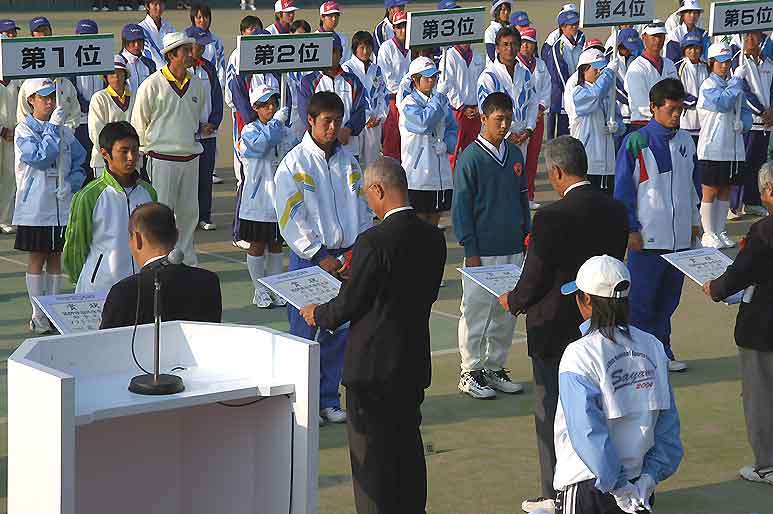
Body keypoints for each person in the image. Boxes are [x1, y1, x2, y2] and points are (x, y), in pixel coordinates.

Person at [298, 157, 444, 514]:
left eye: (367, 194)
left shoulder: (374, 241)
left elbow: (349, 305)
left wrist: (319, 313)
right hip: (411, 360)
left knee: (371, 460)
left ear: (378, 189)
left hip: (373, 367)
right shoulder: (433, 237)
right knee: (407, 449)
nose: (367, 202)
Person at [497, 136, 629, 513]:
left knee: (553, 410)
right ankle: (606, 483)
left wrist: (514, 300)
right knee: (605, 406)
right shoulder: (615, 209)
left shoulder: (551, 217)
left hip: (555, 327)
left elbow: (534, 278)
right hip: (604, 320)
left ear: (555, 172)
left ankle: (556, 493)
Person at [555, 255, 683, 514]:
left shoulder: (579, 353)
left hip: (588, 483)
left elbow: (587, 431)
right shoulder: (653, 345)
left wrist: (618, 486)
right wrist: (650, 476)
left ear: (586, 299)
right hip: (640, 483)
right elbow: (668, 424)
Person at [274, 92, 372, 424]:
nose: (333, 128)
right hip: (310, 260)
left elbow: (362, 207)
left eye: (337, 121)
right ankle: (303, 402)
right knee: (305, 335)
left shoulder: (349, 162)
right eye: (326, 121)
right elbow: (290, 215)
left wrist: (358, 250)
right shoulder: (294, 163)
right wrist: (318, 254)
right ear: (310, 121)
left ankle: (329, 399)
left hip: (346, 260)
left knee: (338, 332)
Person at [614, 78, 701, 373]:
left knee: (668, 302)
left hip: (679, 242)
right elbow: (623, 190)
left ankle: (662, 352)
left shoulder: (686, 141)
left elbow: (693, 186)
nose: (676, 115)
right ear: (653, 108)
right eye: (671, 110)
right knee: (641, 303)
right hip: (648, 240)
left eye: (680, 110)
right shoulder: (636, 142)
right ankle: (639, 357)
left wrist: (694, 221)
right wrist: (630, 228)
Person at [453, 92, 530, 399]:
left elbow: (523, 198)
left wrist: (527, 236)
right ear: (483, 119)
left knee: (506, 313)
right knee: (475, 312)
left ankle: (494, 367)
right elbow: (461, 208)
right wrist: (470, 249)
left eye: (508, 119)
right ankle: (470, 371)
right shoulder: (470, 158)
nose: (505, 125)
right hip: (481, 251)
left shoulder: (515, 154)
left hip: (512, 247)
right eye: (499, 119)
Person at [703, 161, 773, 487]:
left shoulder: (764, 231)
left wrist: (716, 288)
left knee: (760, 397)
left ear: (769, 190)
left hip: (763, 326)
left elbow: (739, 273)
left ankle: (767, 465)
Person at [13, 78, 87, 333]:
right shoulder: (23, 130)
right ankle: (38, 315)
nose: (49, 102)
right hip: (35, 206)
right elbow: (40, 158)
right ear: (30, 100)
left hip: (61, 205)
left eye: (52, 97)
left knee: (56, 256)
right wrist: (53, 128)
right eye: (43, 97)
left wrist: (72, 183)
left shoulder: (65, 131)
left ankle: (53, 312)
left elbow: (79, 160)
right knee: (37, 257)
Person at [131, 32, 205, 267]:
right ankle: (159, 261)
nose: (190, 54)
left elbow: (196, 119)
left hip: (190, 157)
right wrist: (139, 158)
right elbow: (138, 123)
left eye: (190, 49)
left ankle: (187, 262)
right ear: (171, 55)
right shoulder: (152, 84)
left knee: (189, 214)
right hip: (161, 158)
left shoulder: (197, 84)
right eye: (185, 51)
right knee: (160, 214)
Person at [64, 122, 156, 294]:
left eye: (135, 150)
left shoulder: (148, 193)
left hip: (140, 287)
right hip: (100, 288)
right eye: (124, 151)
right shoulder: (89, 196)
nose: (131, 157)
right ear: (105, 153)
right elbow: (76, 247)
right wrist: (86, 278)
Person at [100, 202, 221, 329]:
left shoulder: (123, 292)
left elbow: (107, 339)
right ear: (177, 235)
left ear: (137, 239)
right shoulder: (209, 282)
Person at [237, 85, 289, 308]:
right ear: (255, 107)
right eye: (265, 105)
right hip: (257, 200)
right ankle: (259, 290)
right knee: (257, 245)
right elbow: (260, 147)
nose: (271, 108)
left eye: (274, 103)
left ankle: (275, 287)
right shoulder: (249, 131)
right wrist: (276, 123)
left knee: (276, 244)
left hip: (279, 198)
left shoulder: (283, 128)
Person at [697, 42, 749, 249]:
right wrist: (736, 81)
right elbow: (723, 103)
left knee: (726, 189)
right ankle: (708, 233)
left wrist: (743, 123)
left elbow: (744, 110)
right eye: (720, 62)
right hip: (712, 146)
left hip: (732, 146)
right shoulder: (708, 85)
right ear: (711, 63)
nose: (724, 66)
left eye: (727, 62)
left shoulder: (735, 84)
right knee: (710, 190)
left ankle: (720, 230)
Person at [398, 56, 457, 227]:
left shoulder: (441, 100)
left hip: (440, 173)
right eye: (427, 77)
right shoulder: (408, 103)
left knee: (435, 218)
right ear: (415, 79)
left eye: (434, 76)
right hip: (418, 175)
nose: (432, 80)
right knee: (419, 221)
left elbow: (452, 127)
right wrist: (438, 99)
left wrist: (447, 144)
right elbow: (424, 123)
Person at [565, 48, 624, 196]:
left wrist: (617, 127)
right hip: (588, 161)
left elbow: (621, 123)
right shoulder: (578, 92)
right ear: (583, 70)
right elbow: (595, 96)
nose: (598, 72)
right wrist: (609, 73)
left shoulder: (608, 93)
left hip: (608, 163)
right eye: (595, 68)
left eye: (601, 69)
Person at [299, 38, 366, 159]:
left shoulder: (353, 81)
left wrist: (348, 129)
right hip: (318, 148)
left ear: (340, 54)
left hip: (348, 146)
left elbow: (360, 111)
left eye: (334, 51)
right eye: (325, 51)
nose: (329, 55)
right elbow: (305, 113)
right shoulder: (308, 81)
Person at [477, 27, 538, 160]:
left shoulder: (526, 73)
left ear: (519, 47)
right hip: (497, 141)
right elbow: (485, 112)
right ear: (497, 48)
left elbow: (533, 103)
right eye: (505, 44)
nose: (509, 48)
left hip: (522, 139)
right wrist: (507, 135)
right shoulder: (488, 77)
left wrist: (529, 129)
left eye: (513, 44)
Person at [730, 31, 773, 219]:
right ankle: (733, 205)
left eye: (754, 35)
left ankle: (753, 202)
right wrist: (762, 112)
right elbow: (742, 91)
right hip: (748, 122)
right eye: (746, 35)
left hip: (765, 123)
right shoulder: (737, 61)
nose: (750, 39)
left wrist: (771, 111)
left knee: (759, 164)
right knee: (741, 163)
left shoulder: (768, 62)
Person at [185, 26, 224, 232]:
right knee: (188, 179)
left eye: (203, 46)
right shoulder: (181, 70)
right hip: (188, 135)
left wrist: (213, 123)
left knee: (205, 177)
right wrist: (195, 126)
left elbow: (217, 98)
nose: (200, 49)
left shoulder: (209, 68)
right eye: (197, 45)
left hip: (209, 133)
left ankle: (204, 216)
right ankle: (187, 217)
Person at [437, 16, 485, 173]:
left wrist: (479, 106)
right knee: (453, 150)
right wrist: (462, 107)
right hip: (456, 111)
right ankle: (450, 184)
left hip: (475, 111)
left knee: (473, 151)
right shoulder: (449, 56)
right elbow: (447, 85)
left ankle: (471, 181)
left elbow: (482, 83)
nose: (465, 40)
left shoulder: (478, 56)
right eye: (462, 35)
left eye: (468, 35)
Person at [17, 18, 80, 132]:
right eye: (38, 31)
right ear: (32, 36)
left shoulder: (66, 84)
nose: (43, 34)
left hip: (64, 139)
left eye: (45, 30)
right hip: (36, 138)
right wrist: (42, 135)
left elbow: (74, 115)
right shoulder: (28, 83)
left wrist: (62, 133)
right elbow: (23, 116)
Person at [226, 16, 262, 186]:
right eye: (250, 29)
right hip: (243, 112)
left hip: (263, 111)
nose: (254, 32)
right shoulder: (237, 55)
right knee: (243, 152)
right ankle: (242, 184)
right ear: (242, 33)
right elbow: (232, 87)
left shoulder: (265, 52)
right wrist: (246, 113)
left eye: (257, 28)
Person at [342, 31, 388, 169]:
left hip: (374, 124)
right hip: (355, 123)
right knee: (354, 164)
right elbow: (348, 98)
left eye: (368, 47)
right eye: (361, 47)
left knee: (372, 165)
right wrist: (366, 117)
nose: (365, 51)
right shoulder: (347, 68)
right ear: (355, 49)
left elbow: (383, 94)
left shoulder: (376, 69)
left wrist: (380, 116)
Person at [518, 26, 551, 209]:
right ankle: (514, 197)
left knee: (532, 159)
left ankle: (529, 196)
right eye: (523, 42)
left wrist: (540, 109)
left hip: (538, 119)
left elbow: (547, 89)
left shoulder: (541, 65)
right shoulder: (514, 64)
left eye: (529, 43)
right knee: (517, 161)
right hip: (519, 120)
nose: (525, 46)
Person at [87, 55, 135, 176]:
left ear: (125, 75)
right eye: (112, 73)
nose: (116, 77)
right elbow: (96, 131)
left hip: (131, 159)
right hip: (104, 161)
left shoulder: (135, 97)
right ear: (105, 77)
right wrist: (112, 155)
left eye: (120, 73)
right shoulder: (99, 98)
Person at [625, 21, 678, 125]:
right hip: (643, 124)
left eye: (661, 36)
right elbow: (641, 104)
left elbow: (675, 93)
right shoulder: (636, 67)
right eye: (654, 36)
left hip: (667, 122)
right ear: (644, 37)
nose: (658, 40)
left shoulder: (669, 64)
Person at [70, 19, 103, 181]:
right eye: (83, 35)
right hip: (80, 122)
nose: (87, 39)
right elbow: (71, 87)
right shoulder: (71, 59)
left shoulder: (102, 58)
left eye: (90, 35)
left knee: (98, 160)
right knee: (81, 163)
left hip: (99, 120)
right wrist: (85, 105)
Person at [544, 6, 583, 139]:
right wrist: (573, 92)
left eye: (576, 24)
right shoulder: (558, 47)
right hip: (564, 96)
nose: (574, 27)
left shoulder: (580, 43)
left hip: (577, 93)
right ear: (563, 27)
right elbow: (560, 76)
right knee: (563, 135)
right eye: (571, 25)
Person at [376, 9, 410, 160]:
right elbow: (386, 77)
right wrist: (404, 91)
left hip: (409, 99)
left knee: (408, 141)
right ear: (394, 29)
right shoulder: (386, 47)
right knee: (392, 140)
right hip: (392, 100)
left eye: (405, 26)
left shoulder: (411, 47)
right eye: (399, 27)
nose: (403, 30)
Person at [0, 19, 20, 235]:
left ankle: (5, 218)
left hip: (13, 133)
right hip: (2, 131)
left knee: (9, 175)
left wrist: (17, 128)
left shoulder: (17, 77)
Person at [609, 28, 644, 143]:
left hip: (635, 115)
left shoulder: (636, 59)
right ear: (620, 45)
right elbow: (614, 87)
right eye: (627, 47)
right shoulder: (611, 59)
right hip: (618, 114)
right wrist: (633, 100)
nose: (630, 50)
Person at [675, 31, 708, 145]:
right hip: (686, 121)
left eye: (696, 48)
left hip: (704, 121)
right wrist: (697, 102)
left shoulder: (706, 67)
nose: (693, 51)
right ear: (684, 49)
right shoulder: (678, 66)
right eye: (689, 48)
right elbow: (677, 93)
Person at [189, 3, 226, 93]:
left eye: (206, 17)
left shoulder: (216, 40)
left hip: (210, 84)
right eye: (199, 17)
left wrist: (220, 85)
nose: (203, 20)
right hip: (190, 83)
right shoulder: (186, 39)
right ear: (193, 19)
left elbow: (221, 64)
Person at [120, 23, 158, 97]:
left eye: (140, 41)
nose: (137, 45)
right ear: (125, 41)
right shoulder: (117, 64)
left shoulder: (150, 64)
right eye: (132, 41)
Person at [139, 0, 177, 70]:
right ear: (147, 6)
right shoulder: (141, 28)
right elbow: (148, 53)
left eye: (161, 4)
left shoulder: (170, 27)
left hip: (170, 70)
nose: (159, 8)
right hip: (150, 71)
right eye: (155, 4)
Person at [484, 0, 511, 65]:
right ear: (497, 12)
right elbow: (491, 54)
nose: (506, 12)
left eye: (508, 10)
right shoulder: (491, 30)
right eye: (503, 10)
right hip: (494, 67)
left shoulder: (511, 28)